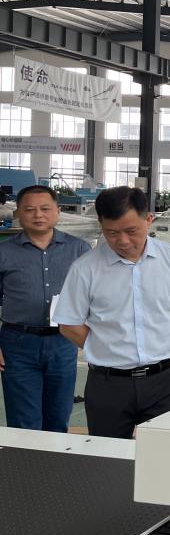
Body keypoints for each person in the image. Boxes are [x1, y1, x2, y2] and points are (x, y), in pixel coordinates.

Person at [54, 186, 170, 438]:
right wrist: (107, 347)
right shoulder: (85, 268)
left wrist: (159, 335)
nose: (122, 241)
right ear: (101, 224)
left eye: (131, 231)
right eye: (111, 233)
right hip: (108, 385)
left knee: (162, 453)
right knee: (107, 455)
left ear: (149, 219)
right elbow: (69, 324)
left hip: (162, 381)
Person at [0, 185, 90, 431]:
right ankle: (25, 457)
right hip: (17, 344)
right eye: (30, 209)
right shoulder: (4, 252)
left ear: (58, 211)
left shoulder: (79, 250)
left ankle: (54, 457)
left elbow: (94, 296)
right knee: (24, 421)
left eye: (45, 208)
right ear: (18, 212)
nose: (38, 215)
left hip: (63, 341)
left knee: (59, 417)